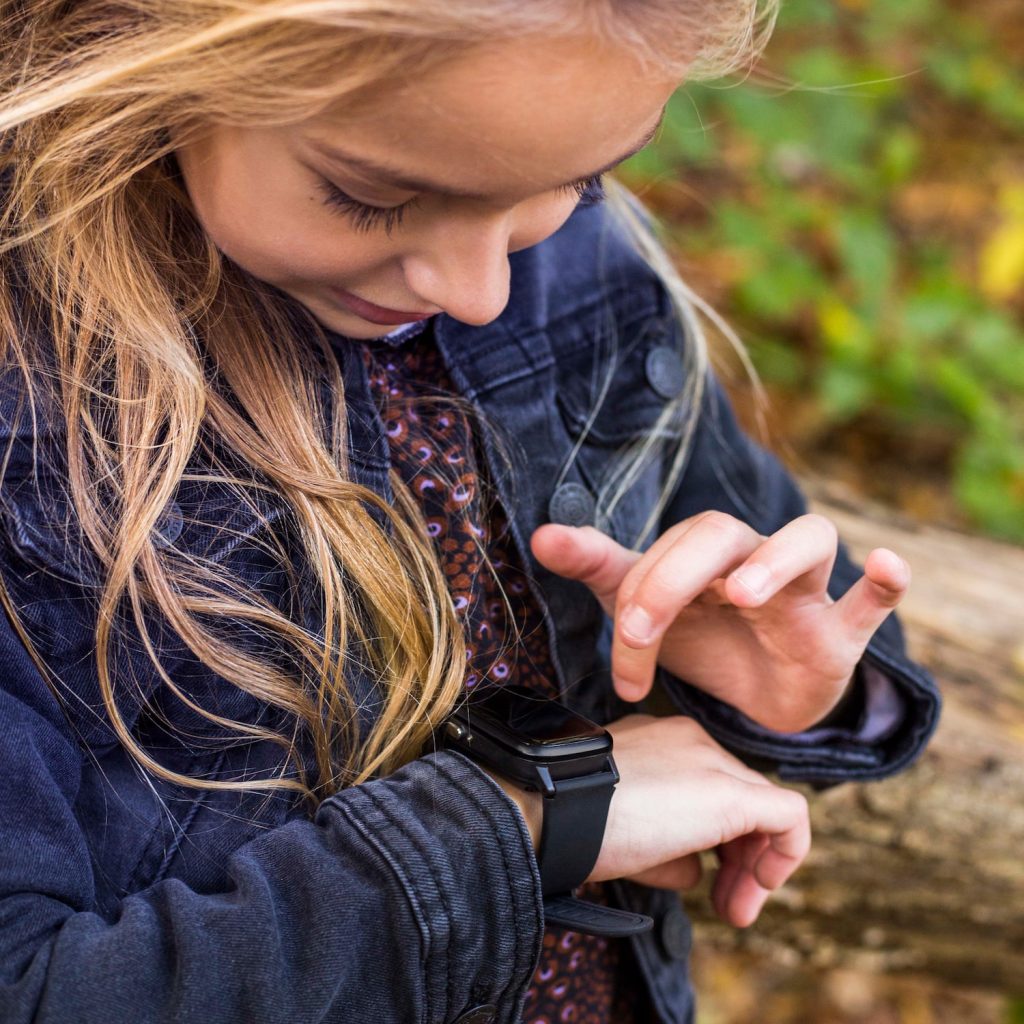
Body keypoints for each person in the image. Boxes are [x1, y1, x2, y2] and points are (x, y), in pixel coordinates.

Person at [0, 1, 940, 1022]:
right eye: (371, 196)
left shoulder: (579, 265)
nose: (482, 287)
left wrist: (770, 686)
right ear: (143, 35)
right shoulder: (30, 414)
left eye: (578, 180)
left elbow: (783, 593)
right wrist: (528, 820)